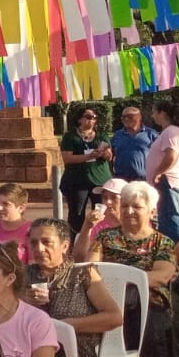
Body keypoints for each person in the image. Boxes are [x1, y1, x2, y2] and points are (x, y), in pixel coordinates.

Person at [88, 181, 179, 357]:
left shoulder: (162, 242)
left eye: (137, 207)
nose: (129, 211)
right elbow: (91, 267)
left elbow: (163, 274)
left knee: (151, 323)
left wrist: (123, 281)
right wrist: (112, 285)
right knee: (81, 320)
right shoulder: (106, 238)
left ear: (151, 211)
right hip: (106, 298)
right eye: (126, 205)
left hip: (148, 300)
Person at [25, 218, 122, 357]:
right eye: (34, 243)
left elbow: (114, 317)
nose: (39, 249)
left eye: (46, 242)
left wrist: (68, 326)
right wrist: (23, 301)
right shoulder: (24, 276)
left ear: (64, 246)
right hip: (28, 356)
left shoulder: (82, 274)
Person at [60, 105, 113, 233]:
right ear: (80, 119)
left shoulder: (102, 136)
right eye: (88, 117)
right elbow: (67, 158)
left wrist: (104, 153)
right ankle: (75, 244)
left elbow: (110, 156)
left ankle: (99, 241)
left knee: (101, 213)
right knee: (77, 214)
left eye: (94, 118)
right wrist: (89, 156)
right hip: (77, 182)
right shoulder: (70, 136)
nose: (92, 120)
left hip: (99, 181)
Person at [147, 102, 179, 241]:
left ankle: (176, 248)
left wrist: (158, 172)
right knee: (165, 215)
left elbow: (171, 155)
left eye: (154, 112)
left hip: (167, 180)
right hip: (166, 180)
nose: (152, 116)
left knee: (170, 215)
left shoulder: (171, 131)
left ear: (162, 113)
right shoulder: (169, 131)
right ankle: (169, 246)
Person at [74, 176, 127, 261]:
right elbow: (79, 258)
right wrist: (87, 227)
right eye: (105, 197)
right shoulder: (96, 224)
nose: (108, 202)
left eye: (114, 197)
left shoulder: (134, 224)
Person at [111, 104, 157, 182]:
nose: (126, 119)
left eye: (129, 116)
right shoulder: (117, 135)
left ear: (139, 117)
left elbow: (160, 156)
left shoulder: (151, 134)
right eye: (123, 117)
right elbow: (111, 155)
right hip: (121, 179)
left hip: (143, 179)